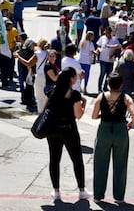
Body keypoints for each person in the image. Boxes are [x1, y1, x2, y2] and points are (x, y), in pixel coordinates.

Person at [45, 67, 91, 201]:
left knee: (54, 159)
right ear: (71, 79)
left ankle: (56, 191)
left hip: (53, 130)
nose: (76, 78)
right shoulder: (74, 95)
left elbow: (45, 110)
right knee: (77, 159)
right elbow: (78, 115)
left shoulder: (52, 91)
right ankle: (82, 190)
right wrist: (84, 104)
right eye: (75, 76)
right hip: (69, 129)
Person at [91, 72, 134, 203]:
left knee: (100, 163)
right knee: (120, 164)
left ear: (108, 84)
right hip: (120, 130)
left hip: (105, 129)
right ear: (121, 84)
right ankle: (119, 196)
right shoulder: (125, 97)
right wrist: (132, 123)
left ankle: (98, 195)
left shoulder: (101, 97)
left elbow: (94, 116)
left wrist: (103, 116)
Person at [96, 27, 121, 92]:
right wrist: (98, 49)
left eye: (107, 32)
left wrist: (113, 54)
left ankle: (105, 87)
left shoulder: (114, 39)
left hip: (110, 60)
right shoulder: (102, 38)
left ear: (110, 32)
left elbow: (117, 47)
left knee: (109, 74)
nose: (106, 33)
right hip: (103, 59)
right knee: (102, 73)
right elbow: (98, 45)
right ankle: (99, 87)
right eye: (105, 32)